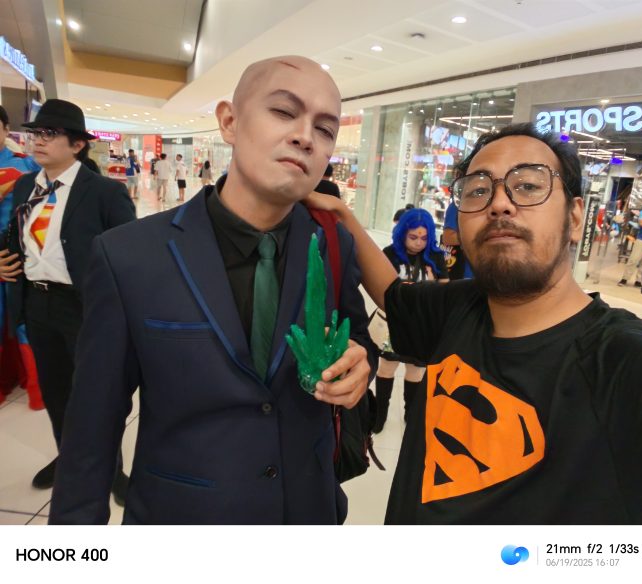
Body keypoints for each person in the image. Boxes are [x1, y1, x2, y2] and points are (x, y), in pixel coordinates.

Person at [305, 122, 642, 524]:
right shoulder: (460, 308)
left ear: (575, 216)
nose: (499, 204)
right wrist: (340, 213)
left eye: (527, 186)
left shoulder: (635, 371)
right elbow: (392, 294)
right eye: (478, 191)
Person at [48, 55, 376, 525]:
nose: (306, 136)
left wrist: (360, 365)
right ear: (229, 121)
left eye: (325, 129)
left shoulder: (332, 244)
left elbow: (357, 338)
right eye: (284, 111)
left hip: (308, 510)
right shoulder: (130, 256)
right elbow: (92, 427)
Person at [0, 99, 136, 500]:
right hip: (37, 305)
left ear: (77, 144)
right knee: (56, 392)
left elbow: (130, 255)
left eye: (50, 134)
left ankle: (111, 469)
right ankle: (69, 457)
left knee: (98, 395)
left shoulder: (104, 193)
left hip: (85, 309)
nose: (38, 141)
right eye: (35, 133)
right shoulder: (25, 186)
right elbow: (16, 237)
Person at [373, 208, 447, 433]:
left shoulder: (435, 256)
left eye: (424, 238)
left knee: (415, 372)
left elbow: (446, 292)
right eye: (413, 237)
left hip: (422, 325)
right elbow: (378, 288)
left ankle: (411, 415)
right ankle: (379, 416)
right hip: (394, 322)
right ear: (402, 233)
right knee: (386, 368)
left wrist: (433, 283)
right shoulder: (390, 254)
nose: (418, 243)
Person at [0, 105, 43, 410]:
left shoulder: (26, 164)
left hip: (23, 254)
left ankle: (37, 391)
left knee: (26, 320)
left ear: (6, 130)